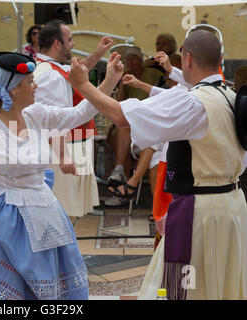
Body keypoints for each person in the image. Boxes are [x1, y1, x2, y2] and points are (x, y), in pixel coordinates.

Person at [0, 50, 124, 300]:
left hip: (45, 213)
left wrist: (109, 81)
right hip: (2, 220)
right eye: (30, 81)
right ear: (12, 89)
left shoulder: (37, 115)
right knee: (7, 291)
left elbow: (80, 114)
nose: (36, 85)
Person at [69, 30, 247, 300]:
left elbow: (121, 116)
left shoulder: (194, 102)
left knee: (182, 288)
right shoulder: (231, 97)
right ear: (220, 59)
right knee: (222, 283)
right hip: (232, 206)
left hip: (201, 212)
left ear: (186, 59)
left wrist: (83, 85)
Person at [33, 19, 113, 219]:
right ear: (57, 43)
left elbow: (78, 71)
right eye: (69, 40)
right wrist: (64, 156)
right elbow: (55, 122)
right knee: (61, 214)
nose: (73, 44)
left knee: (62, 214)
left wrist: (98, 54)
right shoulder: (50, 76)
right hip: (57, 153)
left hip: (59, 149)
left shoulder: (47, 67)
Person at [105, 46, 163, 207]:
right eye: (128, 60)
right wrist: (122, 81)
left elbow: (160, 96)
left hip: (151, 125)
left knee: (150, 146)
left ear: (141, 61)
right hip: (135, 125)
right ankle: (120, 171)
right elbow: (119, 103)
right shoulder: (127, 77)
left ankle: (128, 185)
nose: (130, 63)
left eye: (134, 60)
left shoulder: (154, 75)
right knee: (123, 129)